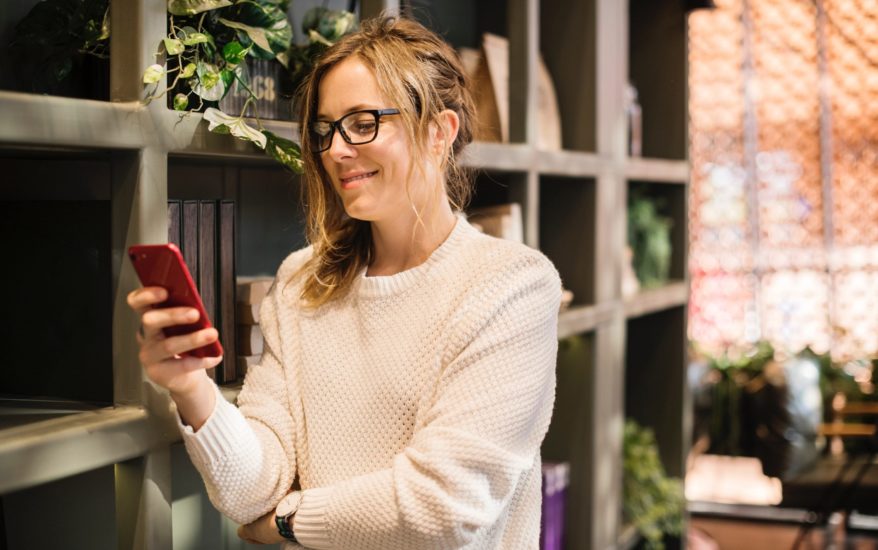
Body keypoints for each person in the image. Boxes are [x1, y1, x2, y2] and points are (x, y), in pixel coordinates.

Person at [128, 14, 561, 549]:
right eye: (326, 129)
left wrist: (289, 522)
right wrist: (192, 387)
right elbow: (251, 491)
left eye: (363, 123)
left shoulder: (511, 286)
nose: (335, 150)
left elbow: (445, 508)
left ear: (439, 132)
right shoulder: (300, 283)